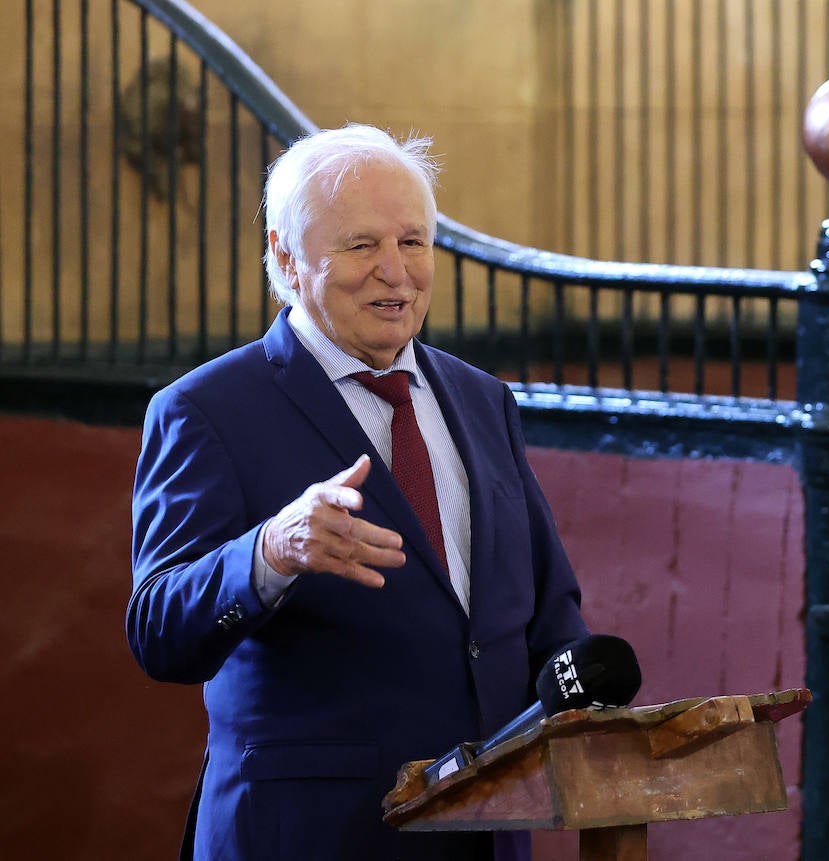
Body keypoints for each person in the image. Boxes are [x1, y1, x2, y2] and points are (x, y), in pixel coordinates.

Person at [127, 123, 588, 860]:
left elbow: (548, 612)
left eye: (412, 241)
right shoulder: (206, 409)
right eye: (361, 245)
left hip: (486, 831)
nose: (396, 272)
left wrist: (596, 696)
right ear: (286, 254)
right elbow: (156, 628)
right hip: (308, 834)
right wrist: (271, 551)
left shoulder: (482, 399)